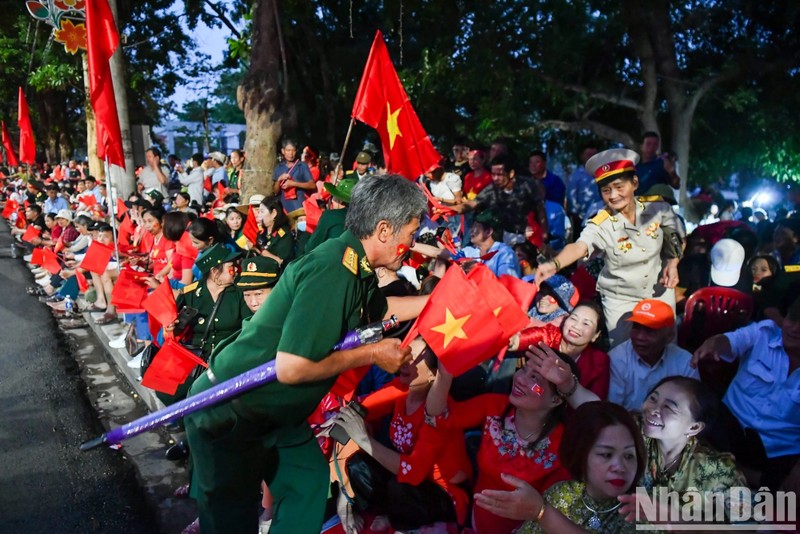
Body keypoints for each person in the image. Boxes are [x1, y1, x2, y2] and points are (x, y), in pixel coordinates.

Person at [183, 175, 428, 534]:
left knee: (308, 483)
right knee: (231, 519)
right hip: (230, 411)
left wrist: (438, 299)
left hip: (273, 413)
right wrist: (373, 353)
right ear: (384, 229)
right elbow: (293, 367)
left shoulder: (354, 266)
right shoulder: (333, 268)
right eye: (410, 232)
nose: (411, 243)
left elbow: (380, 307)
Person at [531, 346, 747, 521]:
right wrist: (568, 384)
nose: (653, 409)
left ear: (694, 428)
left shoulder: (718, 471)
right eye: (653, 398)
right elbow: (599, 411)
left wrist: (676, 521)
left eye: (669, 408)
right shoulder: (635, 431)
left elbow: (751, 526)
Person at [536, 148, 684, 347]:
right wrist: (554, 264)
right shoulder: (600, 222)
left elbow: (676, 237)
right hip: (621, 299)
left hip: (660, 291)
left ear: (635, 183)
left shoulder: (659, 208)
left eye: (619, 187)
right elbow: (580, 247)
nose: (613, 195)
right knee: (622, 352)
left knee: (666, 348)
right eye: (606, 190)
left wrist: (672, 263)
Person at [425, 352, 574, 533]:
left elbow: (557, 509)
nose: (520, 379)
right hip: (477, 521)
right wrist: (444, 376)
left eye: (534, 378)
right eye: (523, 370)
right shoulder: (494, 407)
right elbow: (437, 417)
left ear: (556, 399)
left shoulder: (565, 445)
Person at [333, 338, 473, 531]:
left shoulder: (438, 411)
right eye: (406, 354)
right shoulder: (401, 387)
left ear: (434, 374)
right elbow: (358, 413)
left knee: (399, 486)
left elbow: (414, 472)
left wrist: (364, 439)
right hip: (403, 479)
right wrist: (344, 493)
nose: (406, 362)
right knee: (357, 466)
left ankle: (397, 519)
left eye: (415, 359)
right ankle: (379, 509)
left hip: (442, 493)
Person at [476, 401, 644, 534]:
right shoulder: (561, 494)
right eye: (606, 455)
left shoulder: (648, 504)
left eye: (629, 456)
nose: (620, 467)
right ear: (580, 454)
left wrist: (541, 512)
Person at [692, 295, 800, 491]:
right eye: (792, 319)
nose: (794, 329)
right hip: (729, 428)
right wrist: (715, 343)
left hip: (778, 451)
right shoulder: (763, 333)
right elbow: (731, 340)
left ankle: (735, 473)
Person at [609, 299, 698, 411]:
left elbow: (691, 410)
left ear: (670, 336)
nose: (640, 337)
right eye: (636, 327)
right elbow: (612, 411)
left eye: (649, 331)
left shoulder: (685, 363)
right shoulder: (616, 359)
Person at [512, 300, 610, 399]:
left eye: (586, 324)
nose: (576, 326)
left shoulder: (599, 361)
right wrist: (513, 341)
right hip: (534, 396)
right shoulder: (549, 335)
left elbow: (595, 404)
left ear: (596, 335)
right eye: (573, 318)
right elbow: (520, 340)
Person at [451, 154, 549, 246]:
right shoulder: (491, 190)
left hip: (532, 235)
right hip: (507, 236)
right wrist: (449, 210)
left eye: (499, 174)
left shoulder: (527, 185)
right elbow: (472, 204)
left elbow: (540, 209)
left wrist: (544, 232)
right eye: (493, 174)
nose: (495, 178)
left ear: (511, 173)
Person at [461, 210, 521, 278]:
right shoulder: (471, 250)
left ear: (488, 232)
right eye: (472, 226)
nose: (471, 230)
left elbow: (507, 283)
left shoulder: (505, 253)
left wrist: (478, 269)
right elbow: (451, 255)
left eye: (476, 226)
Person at [306, 177, 357, 253]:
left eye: (333, 196)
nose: (331, 200)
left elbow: (311, 247)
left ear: (340, 200)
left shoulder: (330, 216)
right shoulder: (363, 217)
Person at [272, 139, 315, 216]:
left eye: (293, 150)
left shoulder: (302, 166)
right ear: (283, 151)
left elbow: (312, 185)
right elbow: (275, 192)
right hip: (283, 208)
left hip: (299, 206)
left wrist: (294, 184)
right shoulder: (278, 167)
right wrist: (279, 179)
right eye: (288, 150)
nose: (291, 154)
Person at [566, 144, 601, 228]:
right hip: (584, 219)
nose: (592, 157)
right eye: (589, 155)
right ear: (582, 157)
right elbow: (571, 196)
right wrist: (576, 215)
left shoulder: (603, 172)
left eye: (594, 155)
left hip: (603, 216)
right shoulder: (576, 175)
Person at [255, 196, 295, 267]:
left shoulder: (283, 235)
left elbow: (283, 262)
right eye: (259, 212)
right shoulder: (261, 234)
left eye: (262, 211)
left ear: (273, 213)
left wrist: (264, 253)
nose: (259, 215)